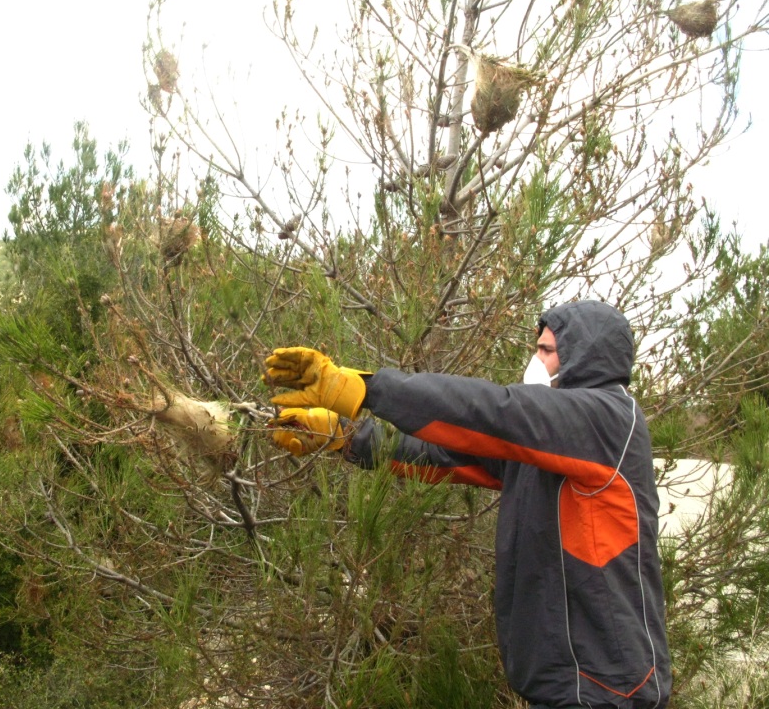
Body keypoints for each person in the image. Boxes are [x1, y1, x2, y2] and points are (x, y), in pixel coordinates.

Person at [265, 300, 671, 709]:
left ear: (583, 355)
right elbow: (442, 455)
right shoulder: (547, 445)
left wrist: (368, 390)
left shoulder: (608, 419)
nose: (536, 359)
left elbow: (495, 412)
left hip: (610, 690)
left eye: (547, 351)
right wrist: (347, 436)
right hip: (568, 689)